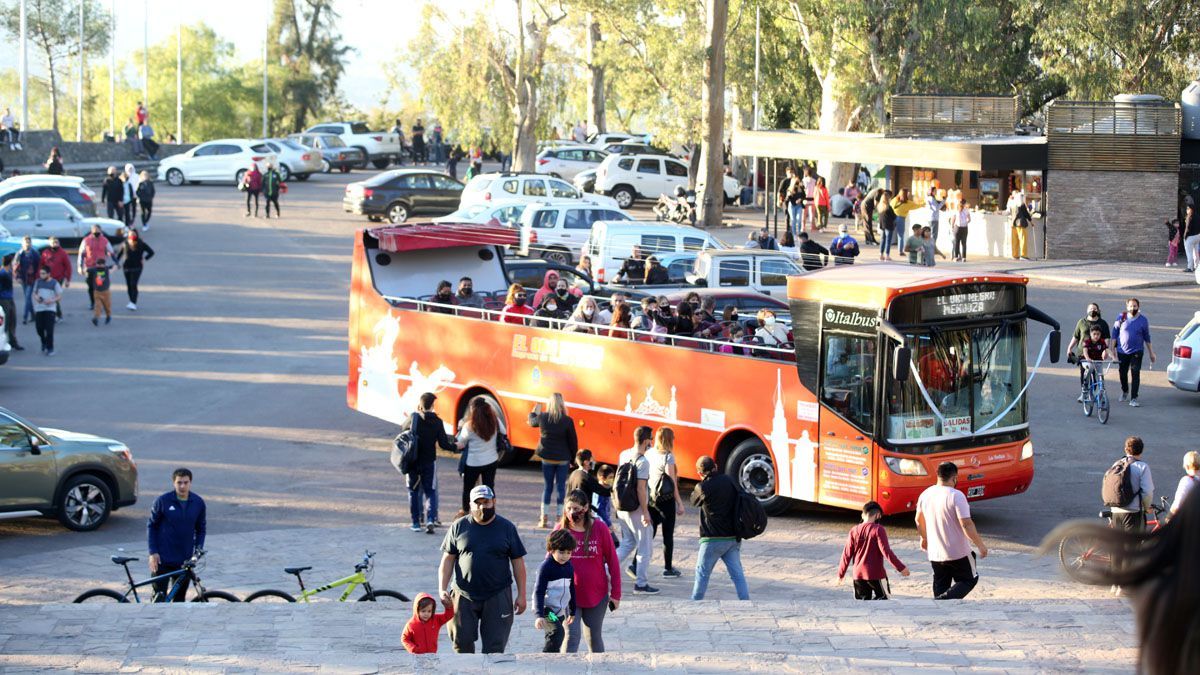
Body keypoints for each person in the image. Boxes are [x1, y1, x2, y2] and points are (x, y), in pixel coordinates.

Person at [439, 484, 528, 654]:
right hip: (463, 594)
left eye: (486, 502)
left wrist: (522, 595)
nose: (482, 507)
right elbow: (447, 560)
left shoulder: (507, 528)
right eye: (477, 503)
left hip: (497, 594)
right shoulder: (459, 526)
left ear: (494, 502)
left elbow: (518, 563)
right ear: (470, 504)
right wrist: (442, 588)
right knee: (461, 645)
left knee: (495, 649)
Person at [554, 489, 620, 653]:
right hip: (568, 596)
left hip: (596, 594)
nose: (571, 513)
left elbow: (613, 561)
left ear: (586, 508)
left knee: (594, 637)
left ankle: (599, 669)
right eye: (568, 508)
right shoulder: (560, 529)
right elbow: (548, 563)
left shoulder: (600, 528)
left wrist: (616, 594)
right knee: (571, 636)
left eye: (576, 509)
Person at [915, 462, 988, 600]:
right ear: (955, 478)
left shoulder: (925, 494)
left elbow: (919, 520)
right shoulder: (956, 495)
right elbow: (966, 524)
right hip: (958, 552)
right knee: (969, 579)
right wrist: (980, 545)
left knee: (941, 585)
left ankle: (941, 606)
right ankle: (942, 600)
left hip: (936, 553)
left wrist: (924, 538)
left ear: (938, 476)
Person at [690, 455, 750, 600]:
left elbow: (693, 501)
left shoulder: (703, 487)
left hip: (712, 539)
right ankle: (745, 601)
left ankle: (694, 603)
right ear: (715, 466)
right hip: (732, 538)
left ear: (699, 473)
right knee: (737, 574)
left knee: (702, 574)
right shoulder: (729, 480)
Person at [146, 468, 206, 602]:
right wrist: (153, 552)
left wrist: (198, 550)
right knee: (158, 599)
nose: (182, 486)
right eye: (179, 483)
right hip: (162, 560)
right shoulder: (162, 501)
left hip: (184, 561)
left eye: (186, 482)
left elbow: (201, 529)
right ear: (174, 483)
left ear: (190, 482)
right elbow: (152, 526)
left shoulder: (198, 503)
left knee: (179, 599)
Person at [615, 426, 658, 594]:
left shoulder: (623, 454)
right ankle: (641, 584)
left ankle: (603, 571)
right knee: (644, 546)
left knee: (627, 543)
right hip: (636, 509)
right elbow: (641, 489)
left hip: (622, 507)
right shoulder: (643, 461)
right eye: (651, 439)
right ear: (647, 440)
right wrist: (646, 512)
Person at [837, 500, 910, 599]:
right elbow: (886, 552)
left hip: (858, 575)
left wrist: (840, 574)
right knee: (885, 600)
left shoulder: (854, 530)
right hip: (876, 574)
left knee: (862, 606)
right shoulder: (878, 529)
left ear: (863, 515)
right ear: (878, 515)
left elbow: (846, 554)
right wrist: (901, 568)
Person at [407, 392, 457, 533]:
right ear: (433, 406)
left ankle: (416, 523)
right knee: (430, 491)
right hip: (429, 461)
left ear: (420, 405)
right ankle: (430, 519)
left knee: (414, 491)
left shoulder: (413, 418)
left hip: (413, 461)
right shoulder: (437, 421)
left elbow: (403, 431)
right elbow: (443, 444)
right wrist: (455, 447)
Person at [529, 393, 579, 528]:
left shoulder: (543, 417)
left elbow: (531, 422)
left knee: (548, 487)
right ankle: (559, 518)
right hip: (563, 459)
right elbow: (573, 442)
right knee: (561, 487)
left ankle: (543, 519)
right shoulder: (567, 420)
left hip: (547, 458)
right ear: (562, 404)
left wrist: (533, 412)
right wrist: (574, 458)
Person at [455, 396, 505, 517]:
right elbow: (504, 432)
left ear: (473, 410)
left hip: (473, 463)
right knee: (489, 487)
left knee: (468, 489)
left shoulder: (469, 426)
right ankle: (490, 510)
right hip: (491, 460)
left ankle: (466, 511)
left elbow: (460, 442)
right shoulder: (495, 421)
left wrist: (460, 428)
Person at [647, 427, 684, 578]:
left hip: (651, 499)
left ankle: (635, 564)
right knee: (667, 535)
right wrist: (680, 503)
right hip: (666, 501)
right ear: (669, 439)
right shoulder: (668, 456)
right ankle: (668, 568)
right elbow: (672, 482)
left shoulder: (649, 453)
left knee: (650, 534)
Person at [533, 529, 578, 653]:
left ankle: (553, 656)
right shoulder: (546, 567)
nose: (565, 556)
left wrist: (573, 610)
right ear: (551, 550)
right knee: (557, 632)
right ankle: (547, 657)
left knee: (554, 635)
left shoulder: (569, 566)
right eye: (561, 552)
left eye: (569, 552)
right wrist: (539, 615)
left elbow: (571, 588)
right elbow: (539, 591)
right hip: (547, 609)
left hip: (560, 609)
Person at [1113, 298, 1155, 407]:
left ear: (1138, 307)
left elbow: (1147, 337)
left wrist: (1151, 353)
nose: (1133, 308)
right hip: (1122, 351)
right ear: (1127, 307)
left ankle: (1134, 398)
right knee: (1122, 373)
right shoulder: (1121, 317)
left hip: (1137, 351)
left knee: (1135, 373)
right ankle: (1125, 391)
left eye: (1135, 306)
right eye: (1131, 306)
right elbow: (1114, 333)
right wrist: (1113, 351)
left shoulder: (1143, 320)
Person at [1109, 436, 1155, 532]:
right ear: (1141, 451)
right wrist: (1146, 507)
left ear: (1126, 449)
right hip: (1133, 513)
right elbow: (1147, 491)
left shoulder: (1116, 464)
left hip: (1116, 511)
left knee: (1119, 544)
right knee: (1133, 545)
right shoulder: (1143, 467)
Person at [1067, 302, 1111, 400]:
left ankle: (1099, 394)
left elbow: (1107, 338)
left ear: (1098, 311)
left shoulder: (1102, 323)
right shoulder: (1081, 322)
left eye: (1095, 309)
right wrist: (1069, 348)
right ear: (1087, 311)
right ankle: (1084, 393)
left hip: (1097, 354)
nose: (1092, 310)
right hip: (1083, 353)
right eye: (1090, 309)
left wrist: (1105, 351)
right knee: (1084, 373)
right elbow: (1076, 336)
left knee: (1098, 374)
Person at [114, 231, 154, 311]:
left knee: (133, 284)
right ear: (128, 236)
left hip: (137, 267)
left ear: (136, 235)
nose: (132, 236)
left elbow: (151, 252)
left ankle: (133, 302)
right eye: (130, 234)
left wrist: (144, 259)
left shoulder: (141, 243)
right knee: (129, 285)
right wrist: (117, 263)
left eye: (133, 234)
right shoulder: (125, 243)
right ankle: (131, 301)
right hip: (126, 267)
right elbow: (119, 255)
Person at [77, 224, 114, 311]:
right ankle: (93, 302)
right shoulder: (86, 240)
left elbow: (111, 252)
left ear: (100, 231)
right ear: (91, 231)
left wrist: (115, 263)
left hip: (100, 268)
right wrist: (79, 266)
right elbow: (81, 254)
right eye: (94, 230)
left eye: (97, 230)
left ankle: (100, 302)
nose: (96, 232)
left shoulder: (104, 240)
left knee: (99, 286)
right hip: (89, 267)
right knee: (90, 287)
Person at [566, 450, 611, 518]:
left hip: (572, 510)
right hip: (583, 512)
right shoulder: (587, 477)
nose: (594, 462)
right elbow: (604, 491)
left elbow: (568, 493)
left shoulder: (573, 473)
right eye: (592, 459)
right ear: (586, 462)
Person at [31, 266, 61, 355]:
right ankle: (43, 341)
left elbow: (59, 295)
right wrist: (37, 298)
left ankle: (50, 348)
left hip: (50, 309)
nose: (41, 275)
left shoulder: (54, 283)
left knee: (49, 330)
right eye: (40, 273)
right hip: (40, 308)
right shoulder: (38, 282)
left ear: (48, 274)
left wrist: (51, 300)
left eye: (43, 273)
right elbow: (34, 293)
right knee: (39, 328)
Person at [39, 237, 70, 319]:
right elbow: (41, 265)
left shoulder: (62, 253)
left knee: (54, 296)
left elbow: (68, 266)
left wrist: (68, 279)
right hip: (48, 278)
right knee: (49, 296)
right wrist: (40, 276)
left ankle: (58, 315)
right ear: (49, 243)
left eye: (56, 242)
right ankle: (54, 313)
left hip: (58, 278)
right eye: (53, 243)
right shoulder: (45, 253)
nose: (55, 244)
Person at [14, 237, 40, 325]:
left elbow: (38, 266)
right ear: (22, 244)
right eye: (26, 242)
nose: (27, 244)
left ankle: (25, 317)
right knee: (27, 298)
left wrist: (37, 276)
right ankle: (33, 315)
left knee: (28, 297)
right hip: (23, 279)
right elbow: (15, 267)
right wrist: (17, 277)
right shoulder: (20, 254)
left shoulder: (35, 254)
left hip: (31, 279)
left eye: (29, 242)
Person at [1169, 451, 1200, 517]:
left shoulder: (1187, 481)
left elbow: (1177, 505)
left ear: (1186, 466)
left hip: (1191, 521)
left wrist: (1168, 517)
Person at [0, 255, 21, 350]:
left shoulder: (8, 272)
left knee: (13, 319)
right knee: (6, 321)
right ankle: (4, 341)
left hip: (10, 298)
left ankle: (12, 340)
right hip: (4, 299)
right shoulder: (2, 273)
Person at [876, 190, 896, 260]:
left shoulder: (879, 206)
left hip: (882, 225)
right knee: (888, 241)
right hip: (889, 225)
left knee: (882, 240)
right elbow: (894, 216)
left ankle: (881, 254)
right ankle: (887, 255)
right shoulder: (888, 207)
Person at [120, 164, 139, 228]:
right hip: (126, 197)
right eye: (129, 169)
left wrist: (135, 193)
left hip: (134, 195)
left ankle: (131, 221)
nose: (130, 170)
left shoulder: (136, 176)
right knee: (126, 211)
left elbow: (138, 184)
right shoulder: (124, 176)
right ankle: (126, 223)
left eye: (131, 168)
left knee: (133, 209)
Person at [1183, 204, 1200, 273]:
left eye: (1188, 208)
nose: (1187, 210)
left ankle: (1190, 267)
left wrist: (1184, 236)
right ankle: (1197, 267)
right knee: (1196, 253)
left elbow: (1187, 228)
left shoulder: (1189, 217)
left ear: (1191, 209)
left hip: (1190, 237)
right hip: (1197, 236)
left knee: (1189, 253)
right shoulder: (1198, 216)